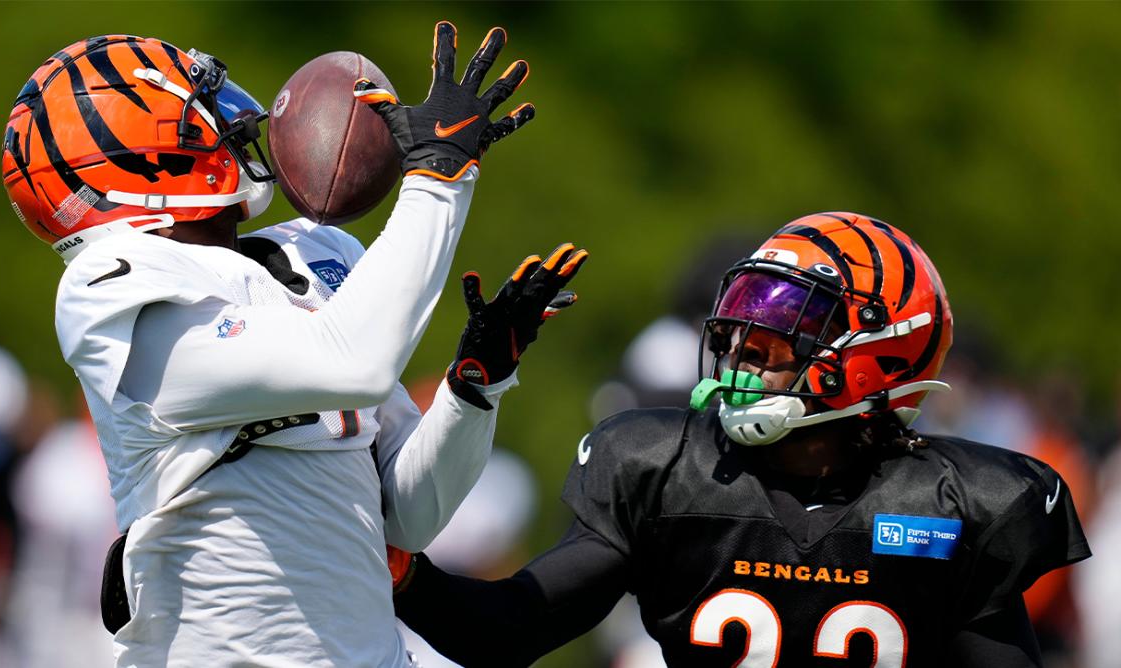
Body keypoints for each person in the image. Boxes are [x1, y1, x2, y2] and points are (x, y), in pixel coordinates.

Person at [1, 24, 587, 667]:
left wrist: (475, 385)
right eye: (194, 116)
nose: (226, 122)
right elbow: (352, 360)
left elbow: (409, 517)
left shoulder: (309, 255)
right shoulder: (109, 292)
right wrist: (438, 179)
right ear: (147, 158)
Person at [394, 212, 1090, 668]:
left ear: (879, 353)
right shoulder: (666, 468)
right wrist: (397, 567)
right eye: (743, 320)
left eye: (785, 324)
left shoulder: (956, 506)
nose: (742, 346)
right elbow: (509, 626)